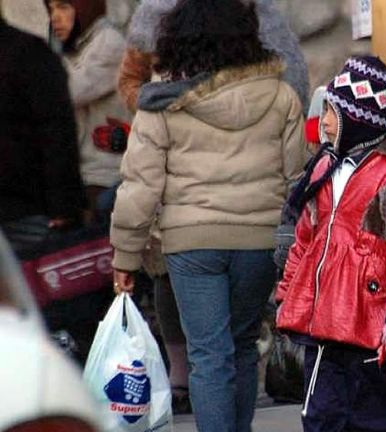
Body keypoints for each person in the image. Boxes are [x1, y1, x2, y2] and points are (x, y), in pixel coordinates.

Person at [109, 0, 308, 431]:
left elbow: (140, 187)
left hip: (190, 243)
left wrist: (125, 256)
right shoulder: (281, 95)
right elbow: (296, 178)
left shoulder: (161, 102)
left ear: (177, 41)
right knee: (239, 347)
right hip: (258, 241)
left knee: (207, 356)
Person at [275, 56, 386, 432]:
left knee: (373, 420)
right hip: (324, 325)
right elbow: (304, 239)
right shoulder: (323, 168)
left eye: (333, 111)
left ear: (359, 118)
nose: (325, 121)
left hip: (371, 327)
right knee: (321, 418)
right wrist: (287, 294)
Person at [118, 0, 309, 112]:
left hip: (255, 150)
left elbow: (293, 87)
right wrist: (158, 111)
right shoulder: (155, 13)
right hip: (178, 163)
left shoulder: (261, 14)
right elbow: (129, 80)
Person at [0, 16, 86, 255]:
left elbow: (56, 132)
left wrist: (63, 205)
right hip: (26, 210)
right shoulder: (27, 52)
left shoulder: (26, 54)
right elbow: (57, 131)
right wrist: (65, 206)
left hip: (25, 212)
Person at [44, 0, 131, 216]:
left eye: (63, 7)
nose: (55, 17)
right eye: (51, 9)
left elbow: (65, 93)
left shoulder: (109, 43)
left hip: (106, 177)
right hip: (82, 176)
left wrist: (43, 57)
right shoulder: (79, 46)